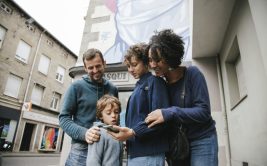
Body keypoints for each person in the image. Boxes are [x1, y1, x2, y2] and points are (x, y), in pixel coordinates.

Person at [144, 29, 218, 166]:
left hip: (202, 140)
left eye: (158, 60)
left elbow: (204, 112)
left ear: (170, 57)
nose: (153, 65)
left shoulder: (192, 74)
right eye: (150, 60)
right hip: (177, 145)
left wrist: (170, 112)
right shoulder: (160, 84)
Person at [107, 43, 170, 166]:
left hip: (149, 153)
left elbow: (160, 120)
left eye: (134, 65)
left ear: (146, 62)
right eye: (128, 66)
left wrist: (132, 132)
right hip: (135, 153)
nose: (130, 70)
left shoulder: (155, 82)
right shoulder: (139, 86)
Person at [59, 48, 118, 166]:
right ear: (85, 68)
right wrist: (84, 133)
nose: (95, 70)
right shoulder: (76, 87)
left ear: (104, 64)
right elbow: (63, 118)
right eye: (90, 68)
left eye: (98, 66)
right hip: (81, 149)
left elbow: (116, 119)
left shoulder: (112, 88)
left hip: (107, 147)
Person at [86, 95, 123, 166]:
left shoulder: (119, 133)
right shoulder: (98, 133)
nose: (113, 115)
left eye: (116, 112)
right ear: (100, 115)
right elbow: (93, 161)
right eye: (108, 113)